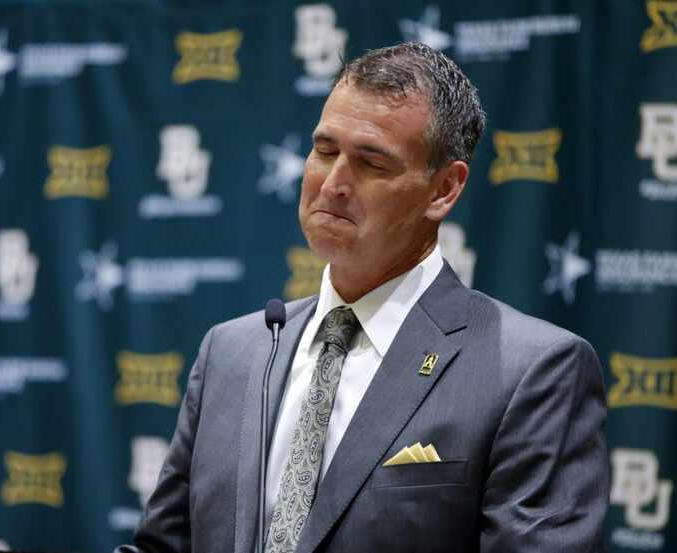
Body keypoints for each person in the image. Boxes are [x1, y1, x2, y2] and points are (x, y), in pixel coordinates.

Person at [117, 42, 608, 553]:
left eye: (371, 164)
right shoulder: (232, 351)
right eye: (324, 151)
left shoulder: (533, 371)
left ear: (443, 189)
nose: (332, 184)